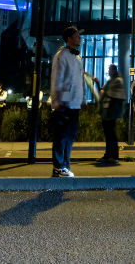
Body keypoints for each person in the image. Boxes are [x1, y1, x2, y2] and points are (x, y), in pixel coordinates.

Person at [49, 26, 87, 178]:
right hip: (64, 102)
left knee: (69, 136)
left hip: (75, 103)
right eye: (77, 36)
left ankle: (65, 165)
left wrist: (83, 99)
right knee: (61, 136)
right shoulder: (61, 55)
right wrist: (56, 101)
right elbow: (56, 79)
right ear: (69, 38)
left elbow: (81, 80)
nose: (80, 38)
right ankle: (59, 166)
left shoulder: (78, 57)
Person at [96, 64, 125, 166]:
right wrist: (98, 84)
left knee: (111, 135)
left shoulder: (117, 81)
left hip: (111, 111)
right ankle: (108, 155)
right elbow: (103, 91)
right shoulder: (111, 81)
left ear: (114, 70)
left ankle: (113, 156)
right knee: (109, 135)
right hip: (107, 111)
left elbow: (107, 92)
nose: (108, 71)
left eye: (110, 69)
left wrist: (103, 89)